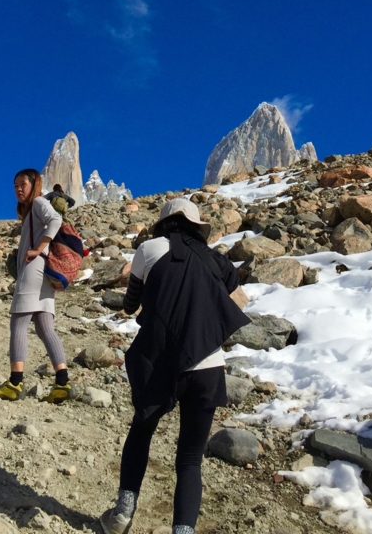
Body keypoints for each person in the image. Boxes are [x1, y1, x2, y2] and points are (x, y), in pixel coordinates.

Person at [100, 199, 249, 534]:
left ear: (164, 224)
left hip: (161, 361)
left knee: (142, 430)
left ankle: (121, 516)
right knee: (190, 459)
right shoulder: (216, 260)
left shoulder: (150, 248)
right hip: (209, 364)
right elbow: (241, 301)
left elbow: (129, 305)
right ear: (197, 227)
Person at [0, 168, 71, 404]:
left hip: (34, 270)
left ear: (34, 184)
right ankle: (62, 382)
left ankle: (15, 383)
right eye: (15, 185)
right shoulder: (33, 208)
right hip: (44, 274)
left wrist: (37, 249)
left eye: (23, 184)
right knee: (45, 327)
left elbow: (55, 220)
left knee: (19, 322)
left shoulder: (37, 202)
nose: (18, 189)